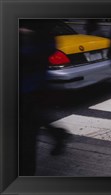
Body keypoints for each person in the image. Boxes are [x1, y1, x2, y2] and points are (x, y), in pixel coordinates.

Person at [19, 20, 71, 175]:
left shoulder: (38, 30)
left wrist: (28, 35)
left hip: (31, 88)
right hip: (30, 87)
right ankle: (58, 135)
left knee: (26, 137)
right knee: (33, 122)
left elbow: (47, 48)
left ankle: (25, 175)